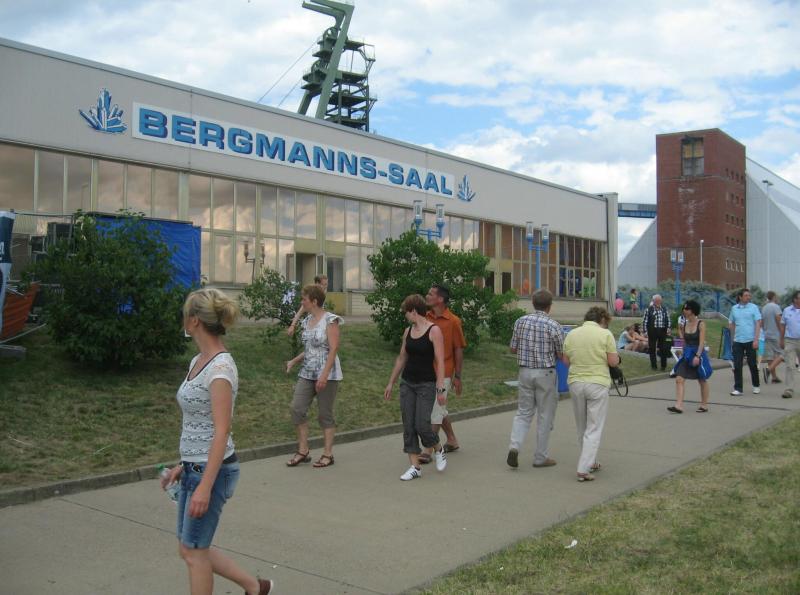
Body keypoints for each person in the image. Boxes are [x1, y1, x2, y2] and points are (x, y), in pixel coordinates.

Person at [161, 288, 274, 595]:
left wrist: (205, 487)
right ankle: (255, 587)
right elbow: (200, 425)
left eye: (185, 315)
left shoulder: (220, 369)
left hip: (212, 472)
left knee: (195, 552)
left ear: (194, 320)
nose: (183, 320)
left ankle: (255, 587)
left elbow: (221, 431)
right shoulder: (198, 360)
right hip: (195, 468)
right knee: (189, 548)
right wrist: (182, 465)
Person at [384, 294, 448, 481]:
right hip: (408, 383)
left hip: (426, 384)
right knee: (409, 426)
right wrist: (391, 382)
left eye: (406, 312)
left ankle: (438, 448)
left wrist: (441, 389)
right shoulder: (408, 331)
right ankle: (415, 467)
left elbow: (440, 361)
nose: (405, 315)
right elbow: (402, 358)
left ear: (413, 311)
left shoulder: (434, 331)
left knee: (422, 425)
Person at [285, 284, 343, 468]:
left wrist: (324, 376)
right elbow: (310, 349)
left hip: (328, 374)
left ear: (314, 301)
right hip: (307, 372)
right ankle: (303, 451)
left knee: (324, 414)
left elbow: (333, 349)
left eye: (304, 299)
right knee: (297, 408)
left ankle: (328, 454)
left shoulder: (330, 320)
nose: (302, 302)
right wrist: (294, 361)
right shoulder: (307, 321)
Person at [506, 289, 564, 469]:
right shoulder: (554, 325)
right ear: (549, 306)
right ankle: (540, 457)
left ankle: (515, 446)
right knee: (545, 415)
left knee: (523, 412)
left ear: (533, 302)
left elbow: (512, 348)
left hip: (525, 371)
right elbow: (561, 354)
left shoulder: (520, 321)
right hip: (546, 373)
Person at [562, 306, 619, 482]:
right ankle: (583, 468)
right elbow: (613, 361)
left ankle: (590, 461)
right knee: (594, 427)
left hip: (576, 383)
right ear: (602, 320)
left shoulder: (571, 334)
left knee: (582, 425)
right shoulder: (605, 334)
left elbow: (566, 361)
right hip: (597, 383)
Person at [419, 284, 466, 464]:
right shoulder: (425, 317)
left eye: (430, 294)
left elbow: (458, 349)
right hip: (426, 370)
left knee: (435, 411)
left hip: (444, 372)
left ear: (440, 299)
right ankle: (452, 440)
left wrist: (458, 377)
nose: (427, 296)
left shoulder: (453, 321)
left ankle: (427, 449)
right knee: (440, 409)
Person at [667, 300, 711, 413]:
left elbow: (701, 342)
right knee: (679, 378)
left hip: (698, 354)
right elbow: (684, 341)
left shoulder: (701, 324)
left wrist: (697, 356)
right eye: (684, 308)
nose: (684, 310)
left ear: (693, 310)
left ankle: (704, 405)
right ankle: (678, 405)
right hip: (687, 354)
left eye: (687, 309)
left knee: (702, 380)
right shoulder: (684, 324)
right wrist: (682, 352)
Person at [729, 288, 762, 396]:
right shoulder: (734, 308)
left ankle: (756, 385)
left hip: (750, 340)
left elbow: (758, 323)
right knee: (737, 365)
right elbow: (731, 323)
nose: (748, 297)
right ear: (740, 297)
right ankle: (738, 388)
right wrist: (732, 340)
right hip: (738, 340)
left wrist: (756, 339)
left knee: (752, 364)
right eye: (746, 295)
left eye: (749, 295)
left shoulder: (753, 307)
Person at [779, 290, 800, 399]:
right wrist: (781, 339)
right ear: (795, 299)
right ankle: (788, 390)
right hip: (790, 341)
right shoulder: (787, 310)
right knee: (790, 366)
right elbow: (782, 325)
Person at [642, 294, 671, 371]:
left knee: (663, 348)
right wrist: (645, 331)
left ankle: (663, 366)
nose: (658, 302)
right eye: (656, 300)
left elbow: (668, 319)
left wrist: (668, 328)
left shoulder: (664, 309)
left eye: (659, 300)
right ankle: (654, 366)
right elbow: (645, 321)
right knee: (652, 348)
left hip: (662, 331)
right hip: (652, 331)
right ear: (653, 301)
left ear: (661, 301)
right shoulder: (649, 309)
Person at [762, 291, 784, 384]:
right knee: (784, 354)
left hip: (767, 334)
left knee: (770, 357)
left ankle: (774, 377)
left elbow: (762, 322)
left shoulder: (764, 308)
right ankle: (768, 369)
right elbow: (779, 321)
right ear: (774, 297)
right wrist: (782, 333)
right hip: (776, 334)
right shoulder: (776, 307)